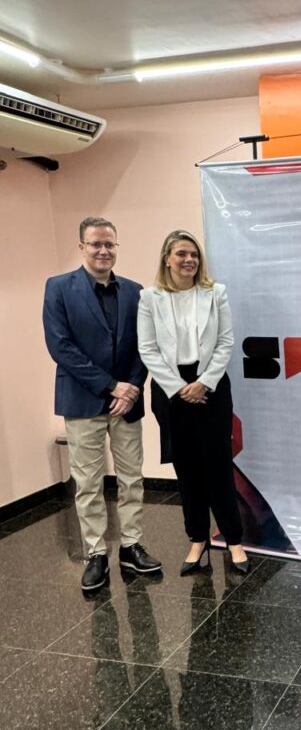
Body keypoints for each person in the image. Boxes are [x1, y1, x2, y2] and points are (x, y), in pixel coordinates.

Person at [43, 216, 162, 592]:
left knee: (131, 477)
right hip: (83, 401)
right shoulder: (58, 288)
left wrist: (132, 388)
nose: (103, 250)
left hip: (127, 404)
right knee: (88, 482)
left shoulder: (135, 291)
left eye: (109, 244)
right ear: (81, 247)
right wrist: (112, 386)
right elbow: (60, 347)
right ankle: (95, 553)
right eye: (95, 244)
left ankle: (131, 546)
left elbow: (145, 346)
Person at [137, 230, 251, 574]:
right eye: (182, 254)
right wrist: (179, 387)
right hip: (171, 391)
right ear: (167, 259)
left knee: (218, 466)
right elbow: (148, 349)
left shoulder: (215, 293)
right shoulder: (149, 298)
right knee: (186, 469)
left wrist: (204, 383)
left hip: (211, 387)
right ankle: (198, 539)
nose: (189, 260)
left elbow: (226, 341)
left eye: (194, 254)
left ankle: (233, 540)